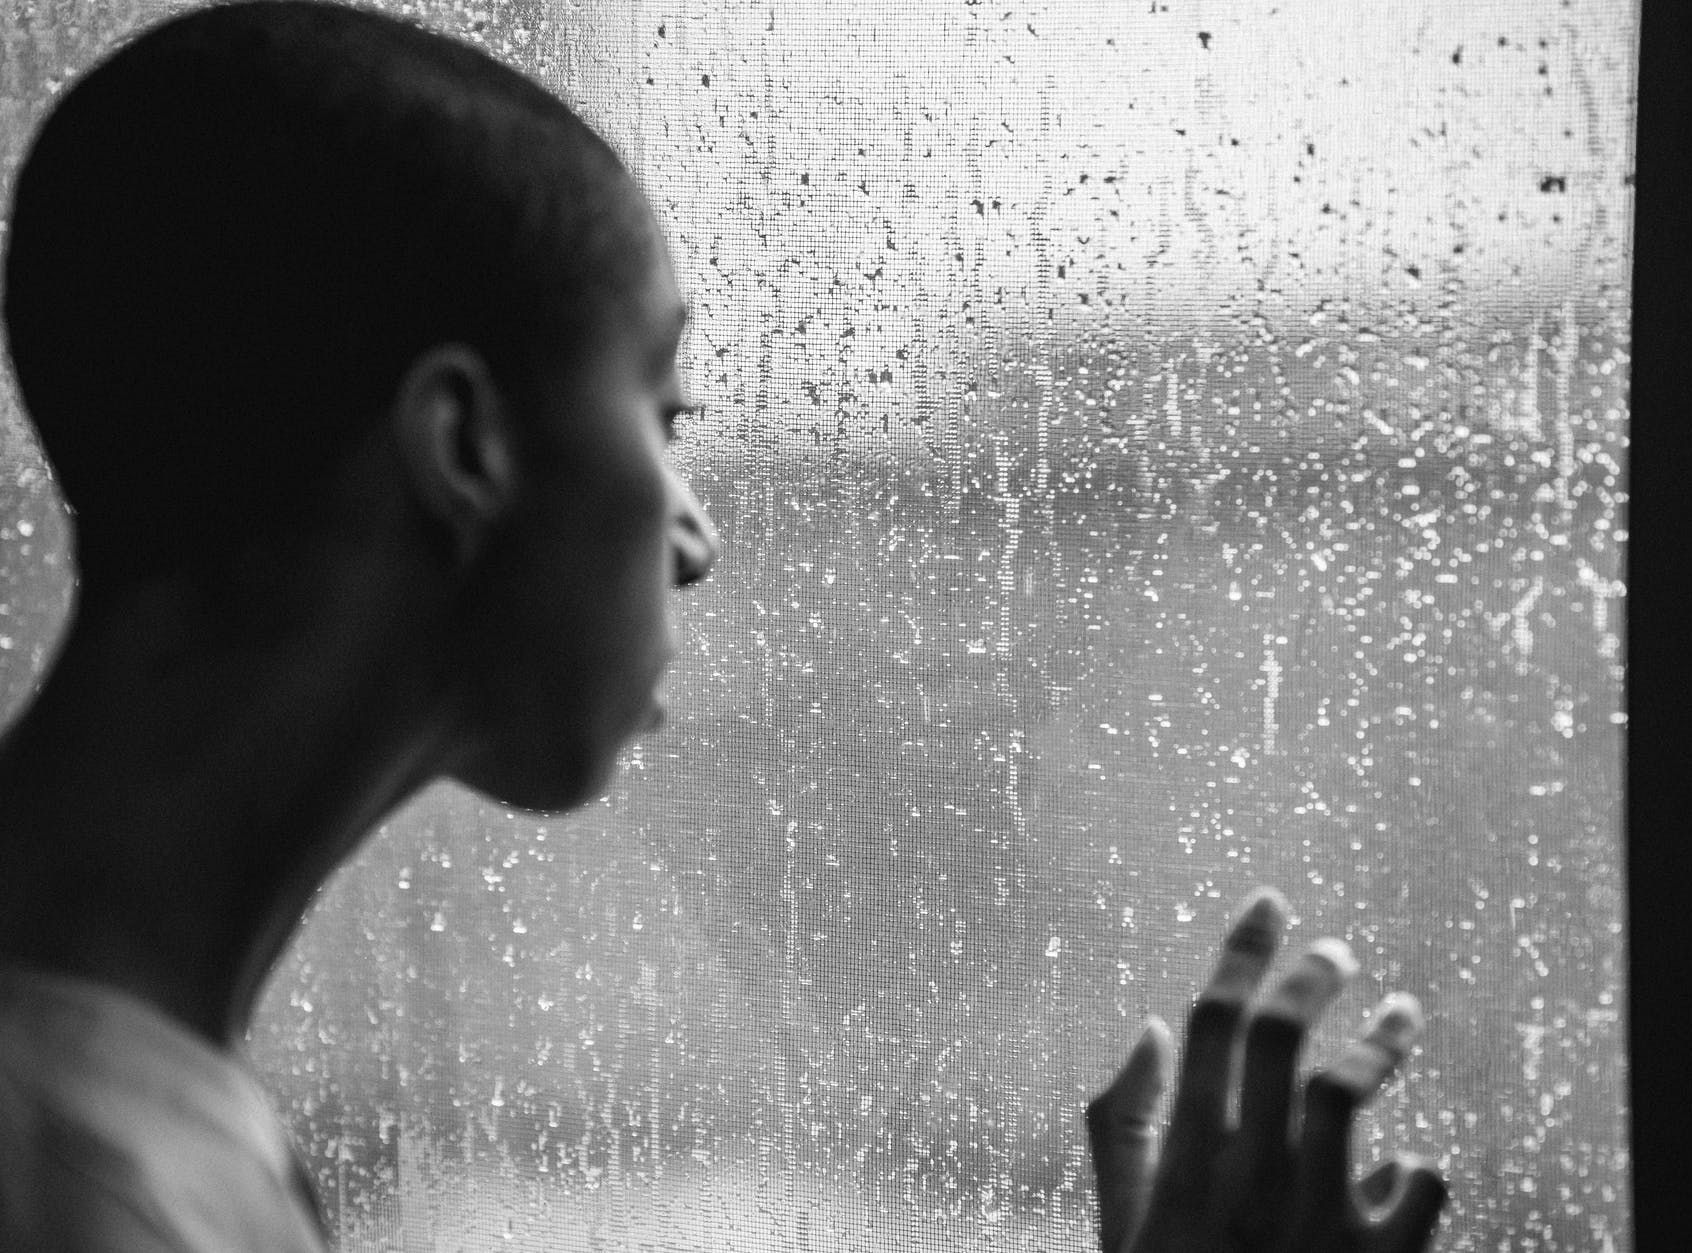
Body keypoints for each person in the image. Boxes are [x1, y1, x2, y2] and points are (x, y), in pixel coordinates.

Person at [0, 2, 1446, 1250]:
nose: (697, 536)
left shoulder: (136, 1096)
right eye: (663, 414)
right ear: (465, 442)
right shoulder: (85, 1184)